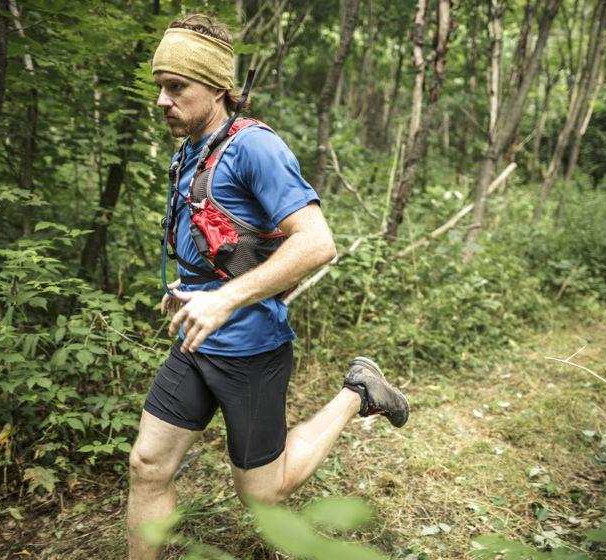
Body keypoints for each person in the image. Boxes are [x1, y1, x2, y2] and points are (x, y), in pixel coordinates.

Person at [126, 14, 410, 560]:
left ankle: (358, 392)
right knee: (147, 465)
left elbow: (317, 243)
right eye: (160, 86)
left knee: (263, 493)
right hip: (196, 342)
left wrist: (226, 298)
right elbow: (225, 233)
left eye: (177, 87)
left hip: (250, 348)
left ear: (216, 86)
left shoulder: (255, 147)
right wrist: (194, 283)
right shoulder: (191, 148)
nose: (163, 100)